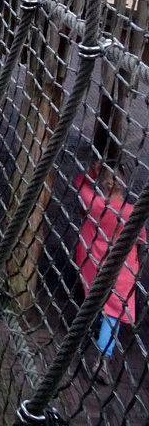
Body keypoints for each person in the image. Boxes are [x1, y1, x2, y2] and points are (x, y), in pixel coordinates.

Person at [74, 161, 147, 383]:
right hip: (122, 270)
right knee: (114, 314)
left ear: (103, 184)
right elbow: (141, 240)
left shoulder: (94, 204)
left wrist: (92, 171)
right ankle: (103, 361)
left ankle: (93, 325)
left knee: (97, 300)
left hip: (94, 264)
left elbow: (79, 183)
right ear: (123, 185)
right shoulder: (132, 212)